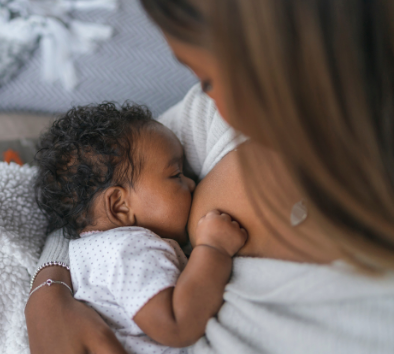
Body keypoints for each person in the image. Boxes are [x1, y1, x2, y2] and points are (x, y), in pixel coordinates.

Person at [24, 0, 394, 353]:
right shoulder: (222, 125)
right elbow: (90, 190)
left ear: (287, 59)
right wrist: (48, 294)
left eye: (210, 79)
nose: (203, 97)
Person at [32, 102, 247, 353]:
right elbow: (176, 323)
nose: (191, 183)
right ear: (119, 206)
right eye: (176, 174)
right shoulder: (129, 249)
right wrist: (213, 248)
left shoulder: (95, 252)